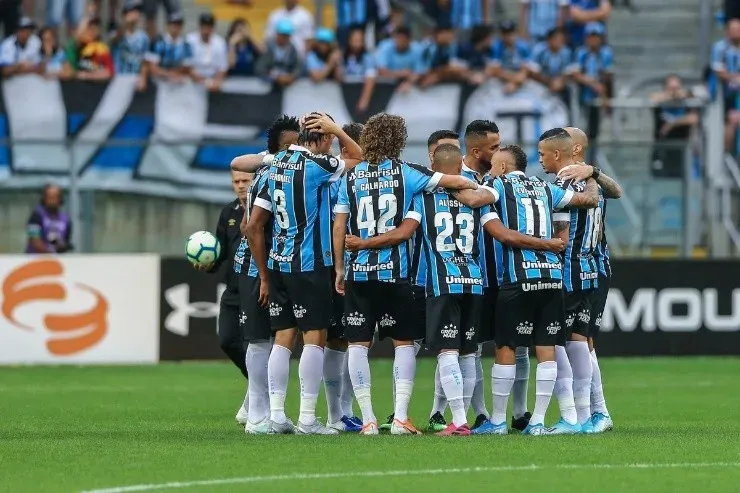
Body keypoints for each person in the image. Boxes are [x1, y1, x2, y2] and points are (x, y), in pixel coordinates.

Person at [332, 113, 479, 435]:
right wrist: (477, 188)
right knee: (403, 343)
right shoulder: (408, 174)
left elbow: (339, 224)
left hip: (359, 271)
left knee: (358, 344)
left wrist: (340, 267)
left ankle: (368, 419)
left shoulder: (351, 178)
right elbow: (453, 180)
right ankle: (400, 417)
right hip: (397, 274)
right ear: (399, 140)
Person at [452, 138, 598, 436]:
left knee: (506, 347)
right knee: (547, 349)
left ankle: (496, 421)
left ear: (503, 167)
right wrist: (592, 175)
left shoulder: (499, 187)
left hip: (518, 280)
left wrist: (442, 181)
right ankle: (539, 421)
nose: (489, 172)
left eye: (493, 167)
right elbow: (589, 200)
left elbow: (473, 201)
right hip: (552, 278)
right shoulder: (546, 189)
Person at [245, 112, 362, 435]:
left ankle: (277, 416)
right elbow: (358, 158)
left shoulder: (272, 167)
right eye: (330, 138)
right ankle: (308, 419)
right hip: (310, 264)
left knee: (283, 338)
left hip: (279, 264)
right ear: (324, 138)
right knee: (315, 339)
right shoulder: (318, 166)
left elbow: (253, 225)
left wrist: (265, 275)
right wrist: (339, 129)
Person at [539, 127, 620, 434]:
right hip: (589, 267)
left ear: (571, 149)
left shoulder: (579, 181)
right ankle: (593, 413)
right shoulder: (585, 182)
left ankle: (589, 413)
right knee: (582, 340)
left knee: (573, 340)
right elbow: (612, 193)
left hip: (582, 268)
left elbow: (612, 193)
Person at [234, 115, 301, 434]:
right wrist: (263, 276)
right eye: (289, 144)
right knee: (260, 338)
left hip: (279, 265)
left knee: (277, 338)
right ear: (274, 149)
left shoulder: (298, 172)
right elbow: (252, 228)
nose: (296, 148)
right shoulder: (267, 172)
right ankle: (258, 414)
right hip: (256, 266)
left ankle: (262, 410)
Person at [196, 168, 251, 424]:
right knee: (227, 340)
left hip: (256, 287)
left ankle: (258, 394)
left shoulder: (266, 209)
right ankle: (257, 382)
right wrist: (208, 264)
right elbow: (219, 253)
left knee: (255, 344)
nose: (240, 185)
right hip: (233, 289)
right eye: (236, 182)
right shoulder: (228, 213)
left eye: (245, 180)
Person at [649, 75, 700, 177]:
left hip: (682, 151)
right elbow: (652, 98)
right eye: (671, 88)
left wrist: (673, 123)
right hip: (662, 151)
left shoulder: (686, 103)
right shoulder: (660, 103)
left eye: (677, 88)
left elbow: (693, 118)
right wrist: (671, 95)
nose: (675, 91)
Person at [572, 22, 613, 141]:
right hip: (583, 94)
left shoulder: (605, 54)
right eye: (590, 36)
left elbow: (607, 76)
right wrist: (592, 83)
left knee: (594, 130)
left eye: (596, 36)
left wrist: (605, 96)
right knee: (581, 127)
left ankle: (593, 155)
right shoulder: (581, 53)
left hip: (598, 96)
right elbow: (576, 74)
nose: (593, 40)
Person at [711, 18, 740, 153]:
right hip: (726, 91)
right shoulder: (720, 47)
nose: (736, 32)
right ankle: (726, 153)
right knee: (731, 119)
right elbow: (718, 70)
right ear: (727, 31)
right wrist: (734, 78)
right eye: (733, 29)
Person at [110, 1, 149, 90]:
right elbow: (114, 39)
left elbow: (145, 60)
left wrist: (143, 77)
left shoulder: (144, 37)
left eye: (137, 11)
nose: (135, 14)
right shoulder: (116, 32)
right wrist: (125, 23)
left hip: (135, 80)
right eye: (132, 11)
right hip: (118, 79)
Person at [145, 12, 193, 83]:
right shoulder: (157, 42)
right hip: (158, 82)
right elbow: (152, 67)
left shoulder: (186, 45)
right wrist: (169, 74)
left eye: (178, 25)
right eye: (173, 24)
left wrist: (176, 73)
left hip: (178, 83)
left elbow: (187, 67)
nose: (176, 27)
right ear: (168, 25)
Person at [375, 26, 425, 93]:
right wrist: (403, 73)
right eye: (397, 39)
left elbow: (420, 73)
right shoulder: (385, 46)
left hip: (408, 84)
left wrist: (408, 83)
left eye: (402, 40)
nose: (399, 42)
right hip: (387, 84)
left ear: (409, 40)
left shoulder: (418, 50)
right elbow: (381, 71)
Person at [529, 27, 573, 103]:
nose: (559, 41)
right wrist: (549, 82)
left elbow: (570, 71)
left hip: (559, 84)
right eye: (556, 39)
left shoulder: (566, 52)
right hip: (541, 83)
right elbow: (532, 71)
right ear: (549, 40)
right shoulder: (539, 50)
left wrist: (561, 81)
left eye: (561, 39)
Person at [26, 184, 73, 254]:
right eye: (49, 197)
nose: (52, 200)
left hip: (57, 261)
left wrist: (63, 247)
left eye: (55, 197)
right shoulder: (36, 216)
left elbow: (65, 241)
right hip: (36, 260)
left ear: (60, 199)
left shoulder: (66, 220)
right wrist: (49, 253)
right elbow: (34, 240)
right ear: (44, 199)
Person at [420, 21, 468, 88]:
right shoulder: (428, 47)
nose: (452, 36)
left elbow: (455, 66)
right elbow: (424, 69)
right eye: (450, 33)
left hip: (438, 77)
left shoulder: (453, 46)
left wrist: (439, 74)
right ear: (440, 34)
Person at [187, 13, 228, 92]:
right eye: (204, 27)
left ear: (213, 28)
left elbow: (223, 68)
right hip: (192, 81)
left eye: (208, 27)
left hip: (212, 80)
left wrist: (217, 82)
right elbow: (187, 66)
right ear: (199, 27)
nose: (206, 31)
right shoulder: (190, 41)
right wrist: (201, 80)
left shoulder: (220, 43)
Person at [256, 19, 302, 88]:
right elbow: (260, 68)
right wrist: (276, 77)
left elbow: (297, 67)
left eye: (286, 36)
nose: (283, 38)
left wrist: (291, 77)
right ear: (277, 34)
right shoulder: (268, 47)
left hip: (286, 83)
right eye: (281, 35)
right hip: (267, 85)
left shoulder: (292, 49)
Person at [66, 15, 114, 81]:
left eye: (95, 26)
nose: (92, 29)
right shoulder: (76, 46)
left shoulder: (102, 48)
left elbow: (109, 72)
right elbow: (69, 70)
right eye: (89, 27)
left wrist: (89, 75)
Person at [488, 21, 531, 94]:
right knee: (493, 69)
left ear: (515, 33)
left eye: (510, 33)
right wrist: (513, 80)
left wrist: (513, 83)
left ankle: (513, 85)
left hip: (518, 73)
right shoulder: (496, 47)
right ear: (501, 34)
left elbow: (526, 66)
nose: (508, 36)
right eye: (505, 33)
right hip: (504, 73)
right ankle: (514, 84)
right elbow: (496, 67)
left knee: (526, 70)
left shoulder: (523, 46)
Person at [341, 26, 377, 114]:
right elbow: (339, 77)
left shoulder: (368, 58)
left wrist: (364, 100)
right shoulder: (343, 57)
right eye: (354, 40)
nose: (356, 44)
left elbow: (370, 78)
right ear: (349, 41)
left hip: (361, 98)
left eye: (359, 41)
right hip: (345, 98)